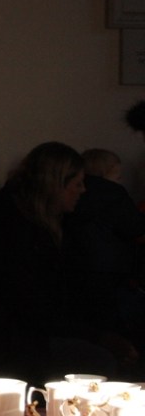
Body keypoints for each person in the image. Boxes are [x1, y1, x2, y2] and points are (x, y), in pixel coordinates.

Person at [0, 141, 118, 385]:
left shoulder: (56, 226)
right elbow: (33, 307)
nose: (82, 191)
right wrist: (95, 336)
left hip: (37, 332)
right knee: (99, 360)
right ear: (55, 185)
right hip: (12, 340)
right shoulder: (13, 233)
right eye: (77, 184)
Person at [65, 148, 145, 374]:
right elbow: (137, 228)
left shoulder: (71, 208)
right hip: (112, 283)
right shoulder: (112, 195)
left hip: (81, 287)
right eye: (117, 177)